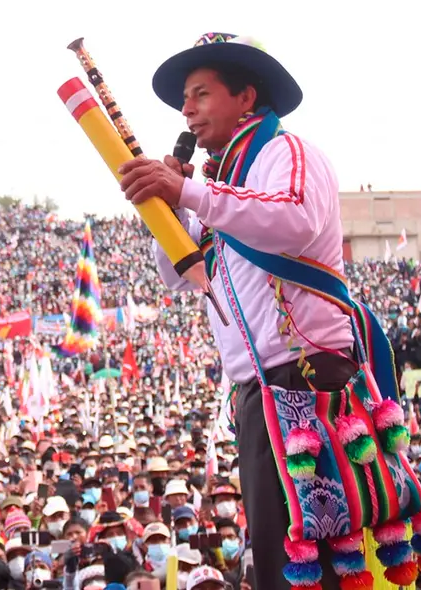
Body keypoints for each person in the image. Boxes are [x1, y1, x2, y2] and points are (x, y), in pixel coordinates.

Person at [119, 32, 358, 590]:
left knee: (318, 550)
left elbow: (292, 219)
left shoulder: (287, 154)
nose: (187, 110)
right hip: (256, 391)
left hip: (307, 375)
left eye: (201, 94)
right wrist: (168, 206)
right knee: (280, 557)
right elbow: (179, 271)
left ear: (245, 97)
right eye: (186, 99)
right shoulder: (217, 184)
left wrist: (190, 195)